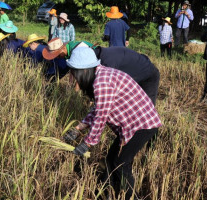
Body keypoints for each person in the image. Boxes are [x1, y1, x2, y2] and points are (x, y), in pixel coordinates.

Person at [64, 46, 162, 200]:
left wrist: (88, 143)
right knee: (111, 160)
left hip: (142, 125)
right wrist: (78, 128)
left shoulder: (102, 82)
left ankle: (132, 197)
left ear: (83, 71)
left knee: (121, 163)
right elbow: (98, 109)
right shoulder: (100, 74)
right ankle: (103, 193)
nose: (73, 78)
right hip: (132, 125)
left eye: (74, 73)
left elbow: (101, 117)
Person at [43, 38, 160, 105]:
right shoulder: (81, 52)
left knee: (143, 110)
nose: (57, 57)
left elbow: (105, 96)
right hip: (130, 68)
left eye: (57, 55)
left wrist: (75, 95)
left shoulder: (105, 66)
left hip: (145, 74)